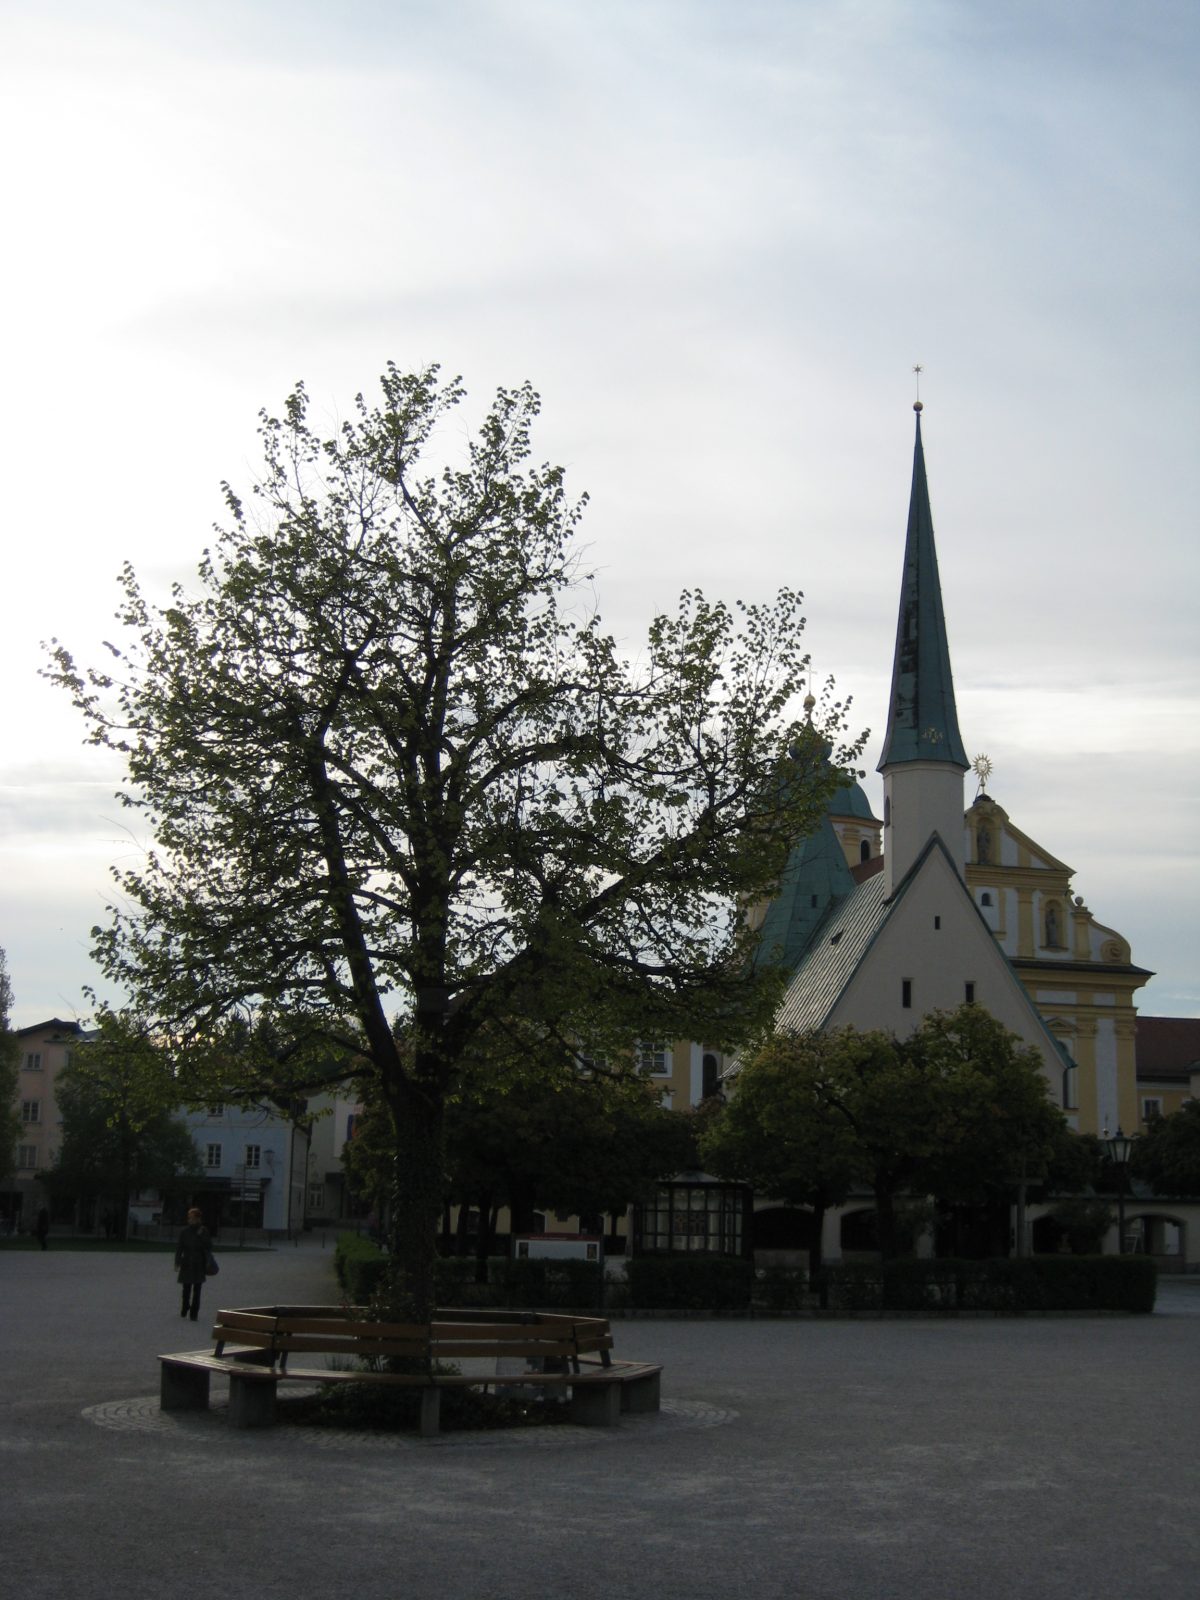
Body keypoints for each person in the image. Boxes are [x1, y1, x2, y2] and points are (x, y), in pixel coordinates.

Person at [174, 1207, 213, 1322]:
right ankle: (185, 1306)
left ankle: (194, 1312)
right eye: (189, 1218)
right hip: (187, 1262)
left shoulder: (203, 1231)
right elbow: (179, 1247)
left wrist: (201, 1236)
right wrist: (177, 1262)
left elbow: (209, 1246)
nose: (189, 1220)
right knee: (186, 1288)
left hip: (198, 1263)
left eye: (192, 1218)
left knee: (197, 1289)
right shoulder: (184, 1231)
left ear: (198, 1219)